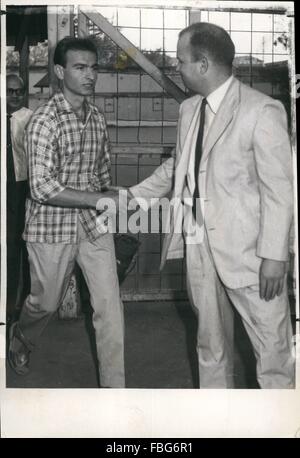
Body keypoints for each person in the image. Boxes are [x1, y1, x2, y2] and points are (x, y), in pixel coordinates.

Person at [128, 23, 295, 388]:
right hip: (198, 244)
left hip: (252, 256)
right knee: (210, 348)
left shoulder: (262, 111)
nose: (177, 67)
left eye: (182, 60)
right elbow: (180, 165)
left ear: (202, 64)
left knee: (273, 356)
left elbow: (280, 190)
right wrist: (132, 197)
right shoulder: (189, 109)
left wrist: (274, 256)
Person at [8, 37, 125, 388]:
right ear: (60, 72)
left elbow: (102, 175)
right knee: (44, 303)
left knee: (110, 310)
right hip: (49, 229)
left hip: (93, 228)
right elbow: (41, 188)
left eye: (93, 67)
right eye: (80, 67)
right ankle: (20, 336)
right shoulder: (43, 121)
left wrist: (114, 201)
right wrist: (95, 199)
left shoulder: (97, 118)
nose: (90, 75)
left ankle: (115, 393)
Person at [6, 74, 33, 322]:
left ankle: (17, 303)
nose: (14, 96)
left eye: (18, 91)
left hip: (19, 186)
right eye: (9, 91)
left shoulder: (28, 118)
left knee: (17, 243)